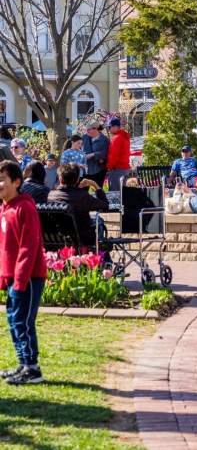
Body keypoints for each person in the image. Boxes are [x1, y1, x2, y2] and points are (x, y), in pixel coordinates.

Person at [0, 159, 47, 384]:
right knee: (13, 320)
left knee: (23, 321)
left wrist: (19, 279)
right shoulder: (5, 208)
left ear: (16, 182)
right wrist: (4, 276)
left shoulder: (24, 207)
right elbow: (5, 247)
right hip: (12, 277)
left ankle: (33, 368)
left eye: (2, 180)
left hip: (27, 277)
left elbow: (29, 246)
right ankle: (23, 363)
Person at [47, 164, 109, 248]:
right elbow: (105, 206)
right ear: (77, 179)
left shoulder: (50, 195)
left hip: (57, 239)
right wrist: (94, 185)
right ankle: (103, 254)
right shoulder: (82, 196)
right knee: (99, 220)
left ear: (60, 178)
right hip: (82, 239)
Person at [106, 118, 130, 191]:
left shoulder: (116, 138)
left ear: (115, 127)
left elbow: (113, 156)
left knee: (114, 194)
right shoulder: (125, 136)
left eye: (109, 127)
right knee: (123, 193)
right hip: (125, 169)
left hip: (117, 170)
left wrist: (109, 167)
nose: (108, 129)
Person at [82, 123, 109, 188]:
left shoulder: (104, 139)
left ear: (98, 130)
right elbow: (79, 149)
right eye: (88, 129)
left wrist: (93, 154)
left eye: (90, 129)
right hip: (86, 169)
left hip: (99, 169)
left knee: (98, 189)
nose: (88, 130)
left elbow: (104, 153)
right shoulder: (84, 137)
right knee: (83, 190)